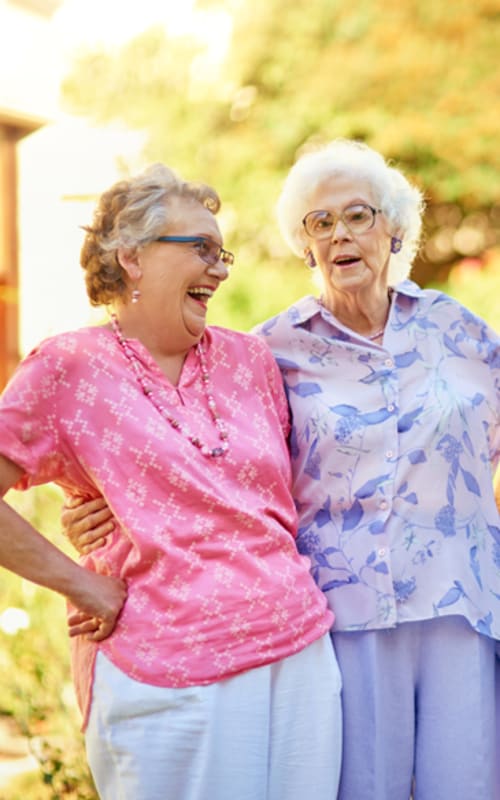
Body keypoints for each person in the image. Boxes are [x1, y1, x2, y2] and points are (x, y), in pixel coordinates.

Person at [0, 163, 342, 800]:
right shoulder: (67, 368)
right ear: (131, 257)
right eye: (201, 249)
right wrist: (82, 584)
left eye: (223, 252)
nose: (219, 268)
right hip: (170, 671)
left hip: (298, 655)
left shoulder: (251, 359)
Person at [253, 139, 500, 800]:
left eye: (358, 215)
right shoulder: (271, 350)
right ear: (304, 245)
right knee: (363, 788)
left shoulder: (462, 332)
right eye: (320, 222)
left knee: (468, 784)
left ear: (393, 229)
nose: (341, 235)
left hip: (461, 605)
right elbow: (211, 450)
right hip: (345, 614)